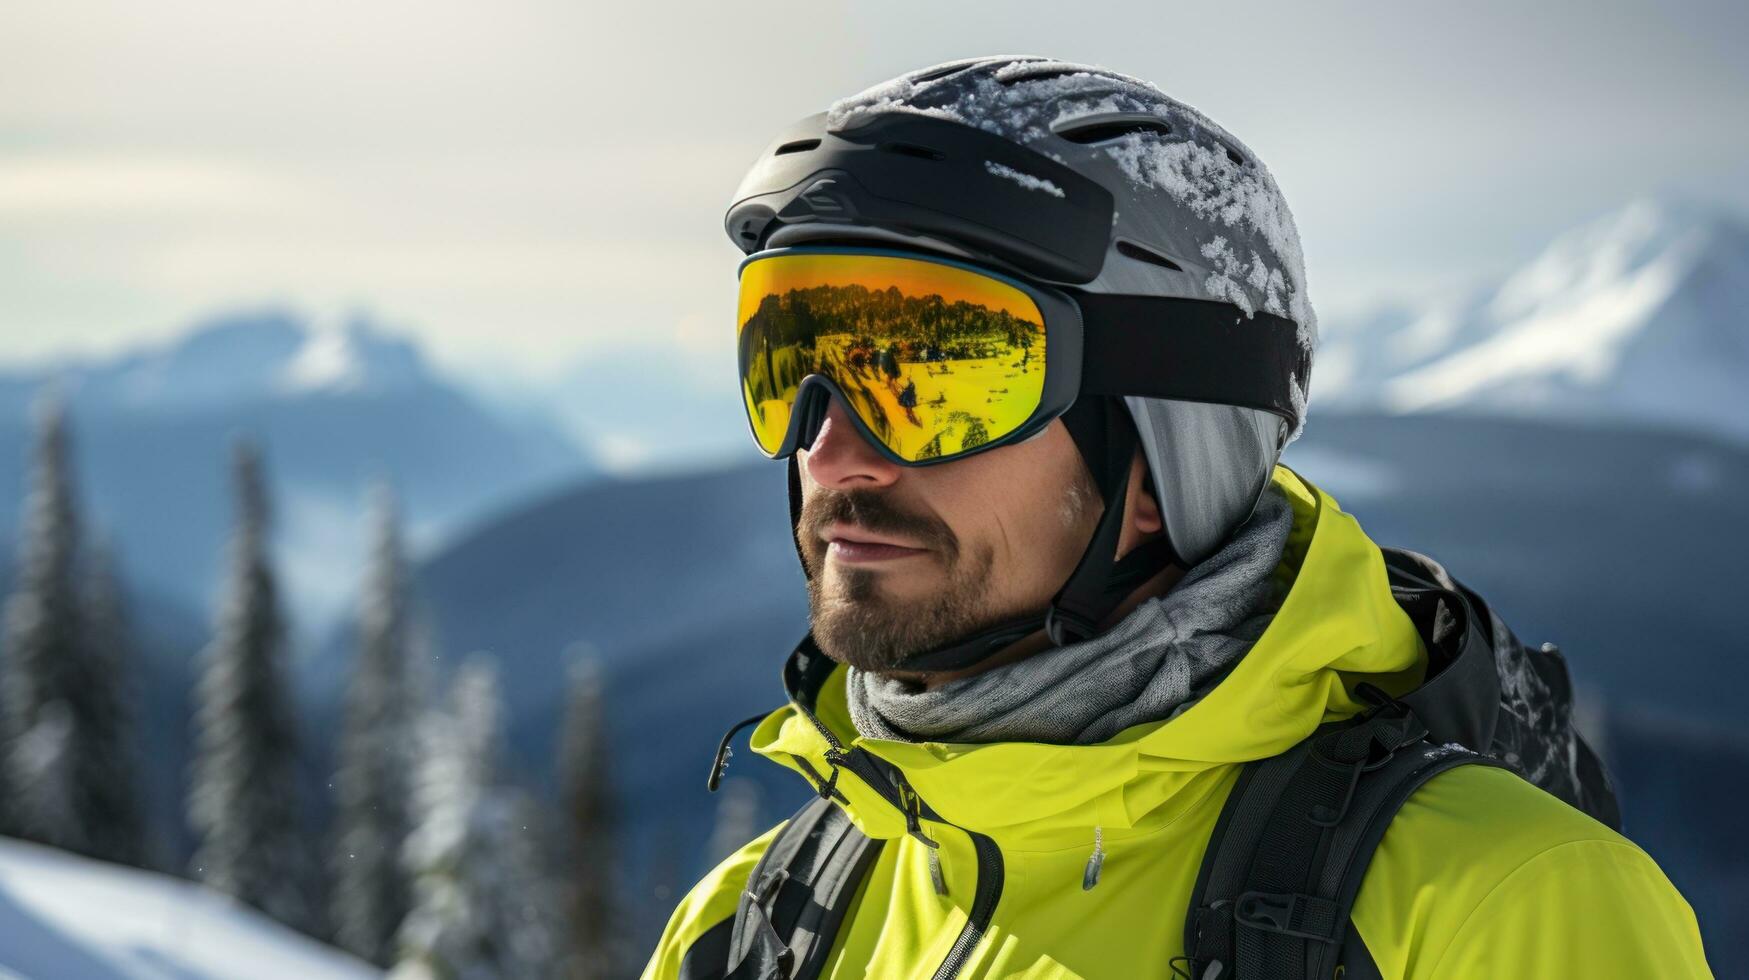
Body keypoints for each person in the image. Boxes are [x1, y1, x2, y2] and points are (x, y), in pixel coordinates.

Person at [643, 57, 1712, 979]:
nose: (828, 447)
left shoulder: (1494, 909)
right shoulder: (760, 922)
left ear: (1162, 465)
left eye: (944, 371)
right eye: (793, 361)